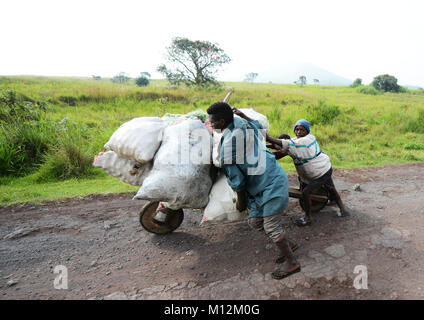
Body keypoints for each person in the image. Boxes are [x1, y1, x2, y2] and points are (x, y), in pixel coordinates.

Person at [206, 102, 301, 279]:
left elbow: (238, 181)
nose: (210, 124)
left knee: (271, 226)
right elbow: (257, 125)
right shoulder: (241, 124)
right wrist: (243, 115)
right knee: (255, 222)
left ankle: (292, 263)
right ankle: (290, 244)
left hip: (271, 183)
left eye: (213, 122)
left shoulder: (228, 149)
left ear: (222, 121)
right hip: (263, 182)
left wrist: (241, 203)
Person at [266, 119, 352, 226]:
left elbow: (282, 145)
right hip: (324, 167)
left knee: (306, 192)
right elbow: (279, 148)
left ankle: (308, 218)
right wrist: (264, 147)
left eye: (302, 130)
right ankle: (342, 209)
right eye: (297, 129)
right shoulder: (295, 142)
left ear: (307, 131)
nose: (298, 132)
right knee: (330, 187)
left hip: (320, 171)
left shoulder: (305, 141)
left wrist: (267, 138)